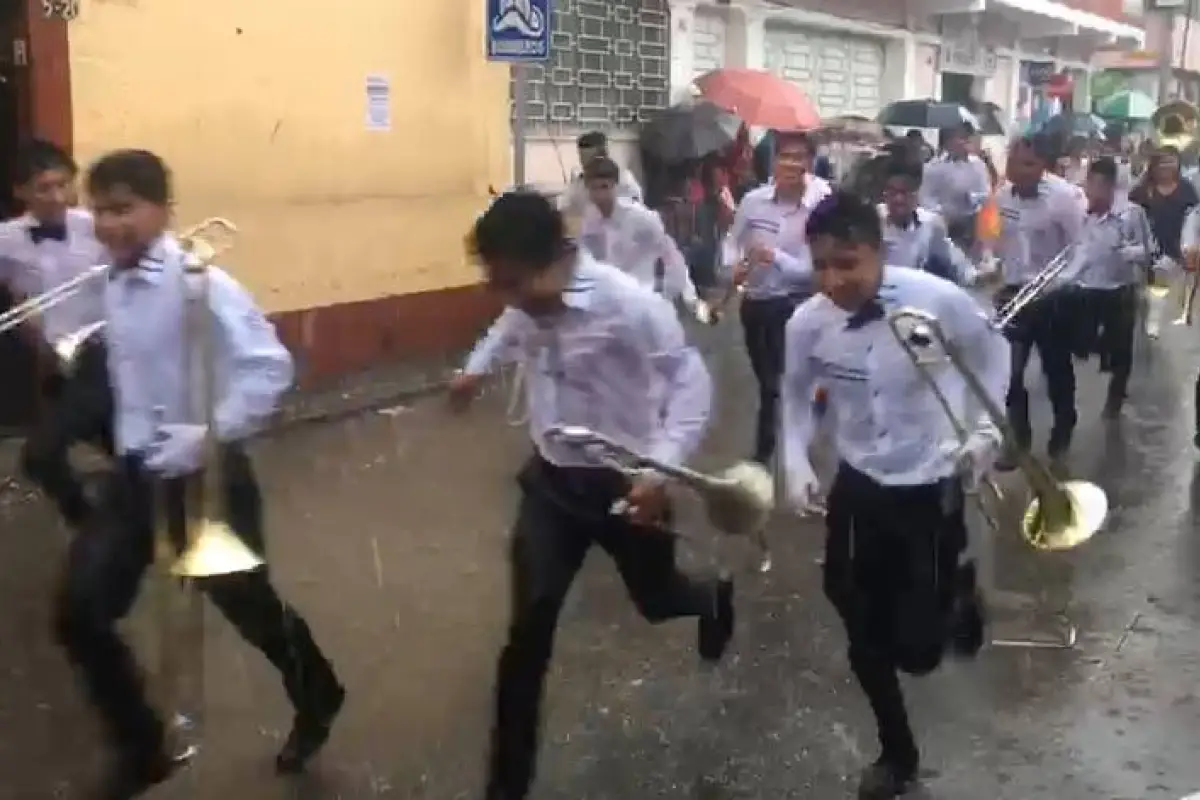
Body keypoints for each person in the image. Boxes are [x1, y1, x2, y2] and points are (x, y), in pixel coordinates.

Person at [55, 149, 345, 799]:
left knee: (252, 611)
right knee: (78, 612)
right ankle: (143, 749)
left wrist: (206, 434)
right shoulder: (110, 280)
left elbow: (270, 367)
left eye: (124, 209)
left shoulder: (202, 283)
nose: (108, 224)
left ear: (163, 210)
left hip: (204, 482)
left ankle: (319, 693)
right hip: (134, 479)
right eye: (99, 210)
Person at [449, 190, 734, 800]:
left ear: (554, 259)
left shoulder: (630, 306)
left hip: (629, 484)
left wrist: (660, 474)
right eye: (496, 282)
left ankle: (711, 597)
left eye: (513, 280)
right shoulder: (527, 299)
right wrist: (476, 368)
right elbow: (509, 322)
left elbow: (690, 385)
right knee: (527, 633)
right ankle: (506, 787)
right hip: (552, 484)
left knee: (658, 599)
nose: (507, 295)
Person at [781, 190, 1007, 799]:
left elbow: (993, 354)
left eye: (847, 263)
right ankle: (896, 753)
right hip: (860, 482)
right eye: (821, 265)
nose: (833, 280)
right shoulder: (807, 323)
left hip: (932, 483)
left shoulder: (938, 301)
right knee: (857, 618)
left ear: (878, 253)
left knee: (920, 652)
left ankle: (958, 595)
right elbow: (797, 396)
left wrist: (986, 432)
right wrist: (796, 458)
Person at [0, 140, 110, 529]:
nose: (57, 196)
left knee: (42, 452)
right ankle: (111, 525)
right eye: (43, 188)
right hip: (54, 363)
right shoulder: (7, 239)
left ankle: (92, 526)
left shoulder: (97, 227)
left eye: (64, 184)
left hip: (102, 355)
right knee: (121, 449)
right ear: (20, 192)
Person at [721, 130, 831, 466]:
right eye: (785, 156)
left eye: (799, 157)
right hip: (756, 304)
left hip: (797, 305)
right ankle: (776, 447)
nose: (791, 164)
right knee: (768, 383)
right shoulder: (754, 201)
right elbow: (732, 241)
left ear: (810, 164)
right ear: (774, 161)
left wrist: (776, 258)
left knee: (787, 383)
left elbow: (815, 272)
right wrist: (732, 267)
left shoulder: (821, 206)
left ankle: (774, 452)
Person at [993, 135, 1085, 468]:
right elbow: (995, 242)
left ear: (1044, 166)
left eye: (1028, 163)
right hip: (1012, 294)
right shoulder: (1002, 196)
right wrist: (990, 270)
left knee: (1055, 368)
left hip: (1052, 297)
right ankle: (1017, 440)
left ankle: (1064, 426)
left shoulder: (1065, 198)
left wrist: (1054, 286)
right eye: (1013, 162)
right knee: (1010, 372)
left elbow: (1080, 250)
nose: (1018, 170)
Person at [1059, 157, 1151, 419]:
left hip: (1119, 288)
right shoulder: (1078, 211)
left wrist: (1125, 251)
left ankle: (1116, 394)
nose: (1092, 191)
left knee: (1121, 347)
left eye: (1099, 186)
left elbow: (1148, 251)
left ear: (1111, 187)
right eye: (1090, 184)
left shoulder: (1131, 214)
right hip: (1086, 287)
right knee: (1080, 341)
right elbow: (1074, 251)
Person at [578, 156, 710, 322]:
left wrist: (692, 300)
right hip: (609, 306)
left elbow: (671, 255)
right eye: (593, 188)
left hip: (641, 301)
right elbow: (585, 260)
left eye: (605, 187)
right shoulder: (590, 220)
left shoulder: (640, 218)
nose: (599, 194)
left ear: (616, 186)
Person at [1129, 146, 1199, 338]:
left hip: (1174, 250)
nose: (1167, 166)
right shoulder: (1142, 189)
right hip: (1144, 248)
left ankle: (1154, 323)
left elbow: (1193, 217)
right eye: (1163, 162)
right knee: (1142, 292)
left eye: (1171, 161)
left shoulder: (1187, 188)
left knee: (1160, 284)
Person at [877, 159, 976, 286]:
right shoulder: (872, 221)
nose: (898, 199)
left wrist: (974, 277)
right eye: (892, 192)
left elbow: (953, 259)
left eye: (904, 192)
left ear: (916, 194)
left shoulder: (930, 224)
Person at [919, 124, 991, 255]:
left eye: (966, 138)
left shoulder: (978, 165)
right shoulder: (934, 167)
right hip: (944, 227)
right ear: (948, 141)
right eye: (960, 137)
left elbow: (986, 194)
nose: (965, 142)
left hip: (972, 226)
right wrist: (942, 215)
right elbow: (925, 198)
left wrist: (973, 199)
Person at [560, 130, 643, 218]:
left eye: (590, 158)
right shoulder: (578, 184)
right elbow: (567, 209)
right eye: (581, 158)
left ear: (604, 154)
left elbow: (634, 210)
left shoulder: (624, 179)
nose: (585, 164)